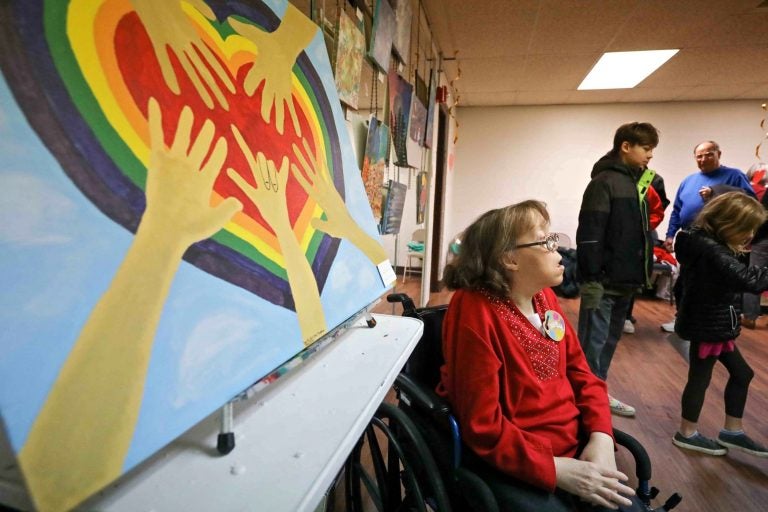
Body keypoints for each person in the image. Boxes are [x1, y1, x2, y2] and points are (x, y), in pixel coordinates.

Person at [437, 201, 635, 512]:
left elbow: (583, 376)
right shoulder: (474, 311)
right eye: (545, 241)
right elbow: (483, 424)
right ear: (509, 258)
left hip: (575, 448)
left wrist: (601, 437)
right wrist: (555, 469)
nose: (558, 251)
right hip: (519, 460)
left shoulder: (544, 298)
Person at [672, 192, 768, 457]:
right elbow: (751, 280)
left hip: (712, 322)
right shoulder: (712, 250)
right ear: (730, 223)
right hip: (709, 326)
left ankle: (732, 431)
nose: (749, 234)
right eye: (746, 228)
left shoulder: (701, 240)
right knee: (700, 378)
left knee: (741, 374)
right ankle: (687, 433)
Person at [577, 122, 659, 417]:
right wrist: (592, 275)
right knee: (591, 345)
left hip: (626, 280)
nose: (650, 155)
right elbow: (590, 231)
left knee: (609, 342)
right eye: (646, 148)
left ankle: (597, 395)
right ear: (626, 146)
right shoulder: (604, 182)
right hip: (602, 280)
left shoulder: (639, 183)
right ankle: (584, 403)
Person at [660, 141, 755, 332]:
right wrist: (670, 234)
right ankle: (682, 319)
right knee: (684, 285)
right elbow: (677, 211)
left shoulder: (734, 175)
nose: (703, 159)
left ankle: (720, 326)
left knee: (715, 288)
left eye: (709, 154)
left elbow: (749, 199)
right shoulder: (688, 181)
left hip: (719, 242)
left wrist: (716, 192)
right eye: (699, 156)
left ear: (719, 153)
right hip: (691, 242)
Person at [742, 163, 768, 329]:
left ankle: (750, 317)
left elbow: (763, 217)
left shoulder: (750, 191)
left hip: (763, 239)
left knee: (754, 276)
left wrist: (753, 239)